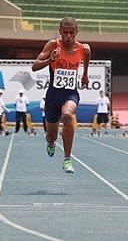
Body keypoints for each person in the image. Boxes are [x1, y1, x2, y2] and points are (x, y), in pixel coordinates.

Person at [31, 17, 91, 174]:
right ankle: (50, 142)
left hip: (70, 93)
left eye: (72, 32)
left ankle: (67, 158)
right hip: (53, 95)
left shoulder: (84, 49)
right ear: (60, 32)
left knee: (67, 115)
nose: (68, 36)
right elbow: (34, 66)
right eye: (65, 32)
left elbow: (87, 57)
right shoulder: (53, 45)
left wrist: (85, 74)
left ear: (77, 32)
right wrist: (49, 60)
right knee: (51, 136)